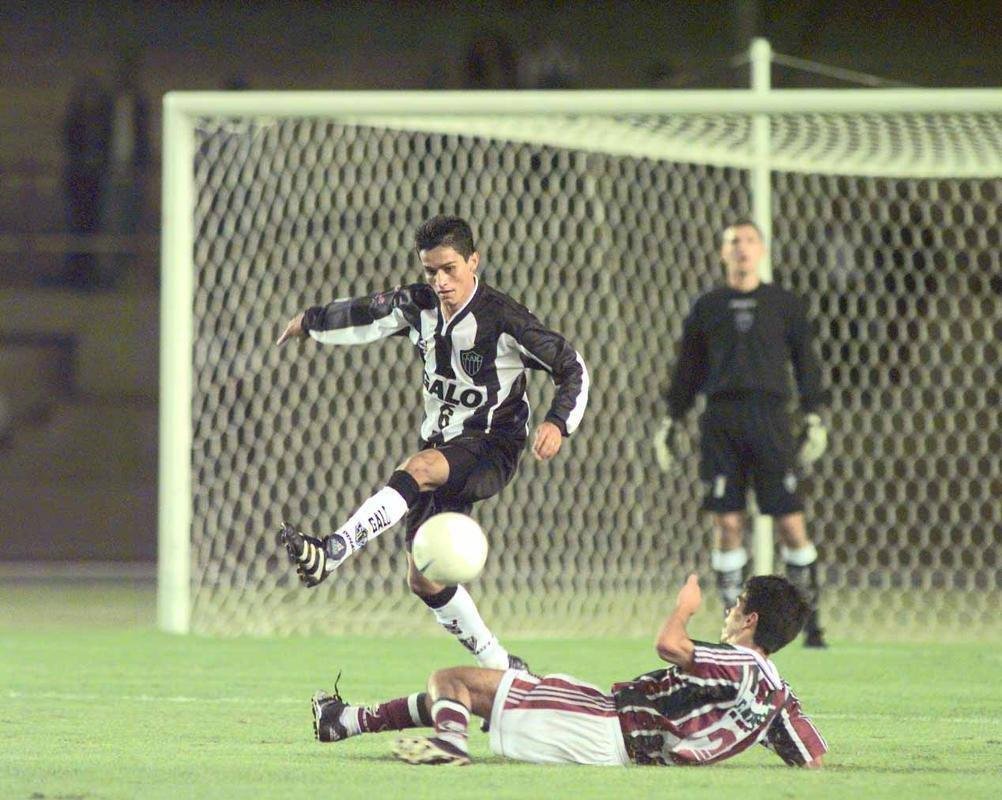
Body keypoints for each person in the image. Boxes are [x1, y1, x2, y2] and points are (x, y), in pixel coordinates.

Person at [276, 215, 589, 670]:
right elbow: (367, 312)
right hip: (443, 442)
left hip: (491, 446)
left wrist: (558, 423)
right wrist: (312, 320)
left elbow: (573, 366)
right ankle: (503, 668)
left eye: (450, 269)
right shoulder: (417, 305)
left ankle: (332, 550)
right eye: (430, 271)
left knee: (418, 468)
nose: (440, 282)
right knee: (423, 580)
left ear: (473, 262)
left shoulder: (503, 320)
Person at [310, 574, 827, 769]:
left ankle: (450, 745)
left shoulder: (737, 661)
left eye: (736, 605)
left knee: (454, 681)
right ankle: (345, 720)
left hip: (604, 725)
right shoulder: (778, 694)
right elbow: (810, 758)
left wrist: (684, 607)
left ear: (751, 619)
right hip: (613, 730)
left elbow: (670, 645)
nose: (728, 611)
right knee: (486, 689)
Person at [654, 219, 830, 647]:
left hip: (771, 418)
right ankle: (736, 627)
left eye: (749, 241)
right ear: (722, 252)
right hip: (721, 421)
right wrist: (671, 419)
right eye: (733, 242)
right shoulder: (708, 306)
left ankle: (811, 623)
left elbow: (805, 361)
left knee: (791, 523)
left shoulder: (784, 304)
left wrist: (814, 415)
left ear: (763, 250)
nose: (742, 249)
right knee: (728, 524)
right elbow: (688, 369)